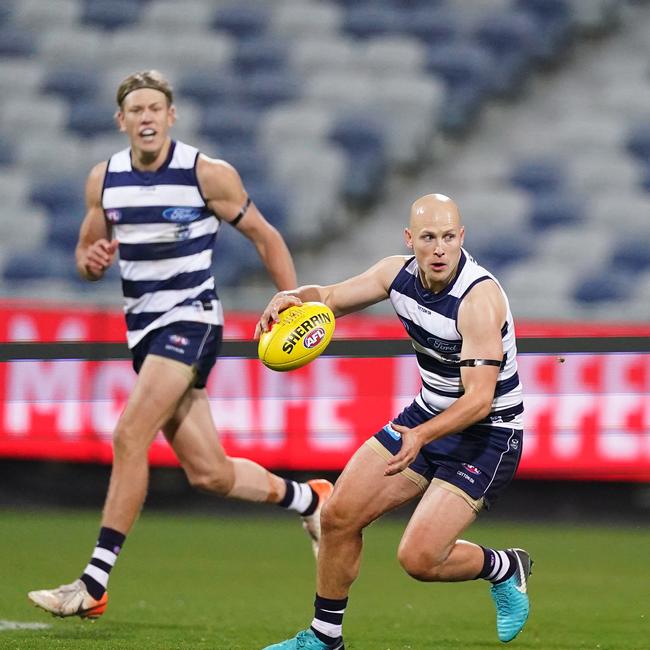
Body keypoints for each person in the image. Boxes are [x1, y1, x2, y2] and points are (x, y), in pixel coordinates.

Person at [27, 70, 333, 620]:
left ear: (171, 117)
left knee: (129, 434)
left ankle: (93, 583)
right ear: (121, 121)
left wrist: (294, 299)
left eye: (155, 109)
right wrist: (90, 262)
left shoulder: (206, 174)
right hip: (143, 332)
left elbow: (265, 234)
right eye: (135, 110)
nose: (146, 118)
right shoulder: (104, 180)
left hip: (192, 320)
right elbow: (86, 251)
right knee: (209, 473)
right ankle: (312, 500)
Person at [255, 193, 531, 649]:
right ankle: (325, 639)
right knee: (339, 516)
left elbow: (480, 400)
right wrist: (291, 299)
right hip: (425, 417)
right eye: (428, 238)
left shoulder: (477, 299)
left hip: (487, 434)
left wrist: (420, 436)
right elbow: (328, 299)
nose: (439, 248)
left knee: (419, 559)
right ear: (410, 240)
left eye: (448, 237)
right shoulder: (395, 274)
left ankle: (505, 567)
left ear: (462, 238)